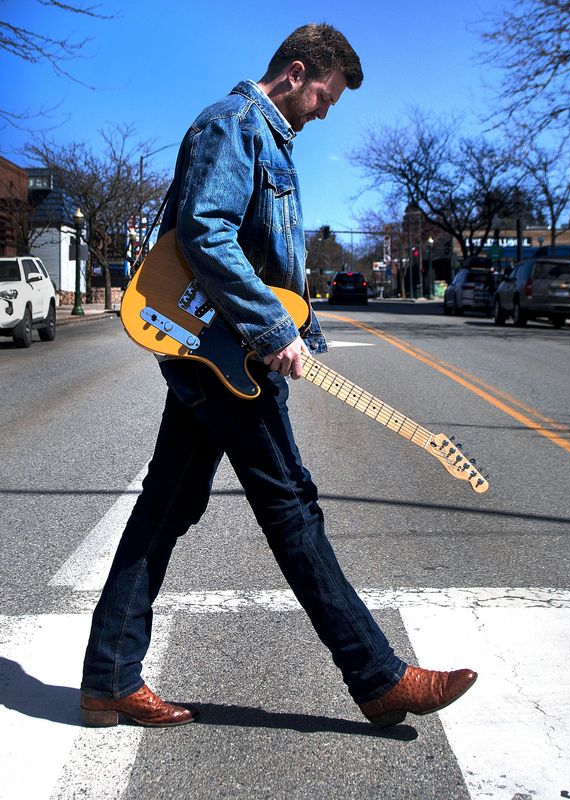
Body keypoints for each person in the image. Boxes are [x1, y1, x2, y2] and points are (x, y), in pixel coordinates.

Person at [79, 23, 476, 730]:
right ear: (294, 74)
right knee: (292, 509)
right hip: (230, 355)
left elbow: (253, 252)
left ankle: (108, 680)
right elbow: (204, 233)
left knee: (166, 509)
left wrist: (289, 325)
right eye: (324, 95)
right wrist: (271, 329)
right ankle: (378, 676)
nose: (325, 110)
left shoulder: (267, 139)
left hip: (223, 355)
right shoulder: (235, 125)